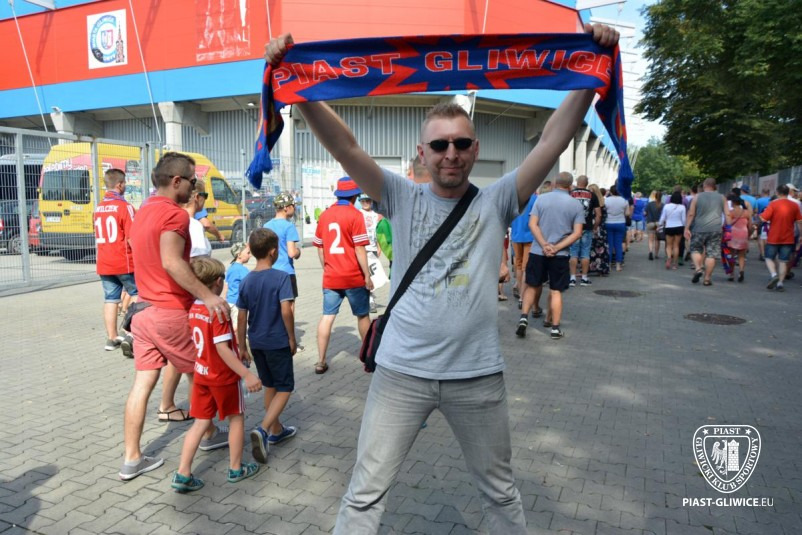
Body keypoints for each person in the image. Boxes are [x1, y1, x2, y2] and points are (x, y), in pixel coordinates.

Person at [265, 22, 619, 533]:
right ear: (422, 153)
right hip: (400, 374)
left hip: (477, 376)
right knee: (364, 493)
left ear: (475, 149)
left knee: (501, 493)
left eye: (460, 143)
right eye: (439, 145)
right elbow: (346, 148)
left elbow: (552, 140)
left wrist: (589, 72)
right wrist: (299, 87)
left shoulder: (498, 199)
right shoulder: (399, 196)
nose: (450, 152)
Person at [120, 152, 230, 481]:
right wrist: (208, 295)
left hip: (142, 312)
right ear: (177, 180)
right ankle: (208, 433)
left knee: (142, 384)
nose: (195, 188)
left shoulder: (144, 210)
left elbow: (140, 250)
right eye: (193, 181)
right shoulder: (174, 215)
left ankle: (131, 459)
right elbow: (171, 262)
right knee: (201, 371)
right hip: (169, 312)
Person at [171, 256, 262, 493]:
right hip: (223, 376)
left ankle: (183, 473)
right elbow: (222, 348)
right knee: (236, 418)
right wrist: (246, 374)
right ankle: (236, 468)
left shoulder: (195, 307)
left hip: (201, 373)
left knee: (200, 422)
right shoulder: (218, 309)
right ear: (218, 282)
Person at [236, 228, 298, 465]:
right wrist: (291, 337)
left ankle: (276, 430)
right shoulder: (281, 277)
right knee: (285, 387)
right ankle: (263, 429)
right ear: (273, 252)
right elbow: (286, 311)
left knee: (270, 385)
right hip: (277, 341)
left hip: (257, 342)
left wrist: (242, 345)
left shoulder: (246, 280)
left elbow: (241, 316)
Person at [313, 177, 373, 375]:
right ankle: (368, 357)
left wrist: (327, 268)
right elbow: (359, 249)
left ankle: (321, 361)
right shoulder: (356, 215)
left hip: (331, 277)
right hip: (353, 277)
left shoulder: (325, 215)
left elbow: (320, 248)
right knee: (362, 315)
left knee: (327, 317)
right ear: (354, 196)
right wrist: (367, 275)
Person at [517, 172, 583, 339]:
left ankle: (523, 318)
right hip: (560, 254)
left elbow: (532, 224)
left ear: (554, 183)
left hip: (537, 251)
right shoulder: (576, 205)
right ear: (570, 186)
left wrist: (544, 244)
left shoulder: (541, 199)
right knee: (556, 291)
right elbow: (577, 233)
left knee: (532, 285)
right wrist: (556, 247)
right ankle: (555, 329)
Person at [93, 168, 137, 354]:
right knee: (137, 293)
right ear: (120, 184)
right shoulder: (125, 207)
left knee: (111, 299)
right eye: (124, 183)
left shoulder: (98, 207)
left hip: (104, 261)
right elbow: (132, 237)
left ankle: (111, 338)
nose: (125, 186)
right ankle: (131, 333)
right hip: (124, 261)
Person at [684, 178, 731, 286]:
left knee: (695, 249)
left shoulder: (697, 197)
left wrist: (686, 228)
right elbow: (727, 214)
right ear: (715, 186)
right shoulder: (722, 197)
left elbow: (691, 214)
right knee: (712, 254)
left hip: (699, 229)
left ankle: (698, 268)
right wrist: (729, 228)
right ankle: (707, 279)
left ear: (704, 185)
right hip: (715, 230)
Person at [263, 191, 301, 313]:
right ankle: (288, 326)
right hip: (286, 273)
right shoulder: (289, 226)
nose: (294, 208)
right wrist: (298, 252)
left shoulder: (266, 226)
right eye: (293, 206)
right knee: (289, 305)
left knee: (272, 305)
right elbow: (292, 253)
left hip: (269, 271)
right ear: (286, 208)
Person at [760, 184, 802, 292]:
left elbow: (764, 218)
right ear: (788, 192)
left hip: (774, 236)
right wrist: (801, 235)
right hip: (788, 237)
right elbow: (799, 222)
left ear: (777, 192)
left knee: (769, 257)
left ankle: (774, 275)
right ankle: (780, 284)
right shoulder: (795, 205)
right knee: (783, 261)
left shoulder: (773, 204)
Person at [568, 174, 600, 287]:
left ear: (577, 182)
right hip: (587, 227)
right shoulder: (592, 195)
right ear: (586, 183)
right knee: (585, 253)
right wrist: (595, 227)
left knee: (573, 252)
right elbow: (598, 214)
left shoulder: (570, 194)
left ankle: (572, 278)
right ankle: (584, 278)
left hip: (573, 227)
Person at [510, 192, 537, 306]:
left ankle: (518, 286)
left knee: (518, 264)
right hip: (530, 236)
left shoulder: (514, 198)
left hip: (516, 235)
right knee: (526, 266)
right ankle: (522, 296)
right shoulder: (535, 199)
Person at [358, 193, 384, 312]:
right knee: (365, 275)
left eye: (368, 200)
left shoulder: (376, 215)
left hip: (372, 248)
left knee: (373, 275)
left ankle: (370, 297)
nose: (366, 203)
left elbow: (378, 231)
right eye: (363, 201)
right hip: (362, 249)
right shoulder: (358, 214)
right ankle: (369, 299)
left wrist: (379, 246)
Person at [224, 242, 251, 326]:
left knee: (233, 326)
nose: (250, 255)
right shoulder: (242, 270)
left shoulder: (230, 268)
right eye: (248, 253)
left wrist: (225, 300)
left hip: (230, 302)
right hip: (238, 304)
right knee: (239, 326)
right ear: (239, 255)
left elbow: (226, 286)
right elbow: (249, 286)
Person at [726, 193, 751, 282]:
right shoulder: (746, 212)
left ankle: (732, 273)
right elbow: (750, 225)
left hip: (733, 234)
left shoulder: (731, 212)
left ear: (733, 202)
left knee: (731, 254)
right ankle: (741, 271)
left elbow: (727, 224)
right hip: (743, 233)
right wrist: (749, 235)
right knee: (741, 255)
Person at [604, 184, 629, 272]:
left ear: (610, 192)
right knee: (618, 244)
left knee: (609, 245)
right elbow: (627, 213)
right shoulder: (624, 200)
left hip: (608, 222)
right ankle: (618, 265)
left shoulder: (606, 200)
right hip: (620, 223)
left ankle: (609, 264)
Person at [658, 191, 686, 270]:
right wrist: (685, 227)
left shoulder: (666, 206)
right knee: (676, 246)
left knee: (669, 245)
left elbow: (663, 218)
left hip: (669, 227)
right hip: (679, 227)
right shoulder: (682, 207)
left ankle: (669, 257)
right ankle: (675, 264)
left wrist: (659, 225)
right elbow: (684, 220)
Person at [185, 183, 212, 257]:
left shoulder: (174, 219)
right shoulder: (194, 226)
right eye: (205, 195)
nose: (205, 200)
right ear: (197, 197)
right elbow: (199, 260)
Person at [588, 184, 609, 276]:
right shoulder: (603, 202)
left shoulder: (593, 202)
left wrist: (594, 227)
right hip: (602, 228)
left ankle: (591, 267)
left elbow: (598, 216)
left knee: (592, 247)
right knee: (602, 248)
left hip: (595, 226)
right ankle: (602, 268)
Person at [645, 190, 663, 260]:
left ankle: (650, 252)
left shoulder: (649, 204)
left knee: (650, 240)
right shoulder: (663, 205)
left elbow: (645, 213)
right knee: (657, 240)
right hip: (659, 223)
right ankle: (656, 254)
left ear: (655, 196)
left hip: (650, 223)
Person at [754, 188, 772, 260]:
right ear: (769, 192)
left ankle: (762, 253)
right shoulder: (771, 200)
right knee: (768, 236)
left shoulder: (758, 200)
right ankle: (767, 252)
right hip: (770, 220)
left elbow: (756, 211)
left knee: (760, 237)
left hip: (761, 219)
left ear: (762, 192)